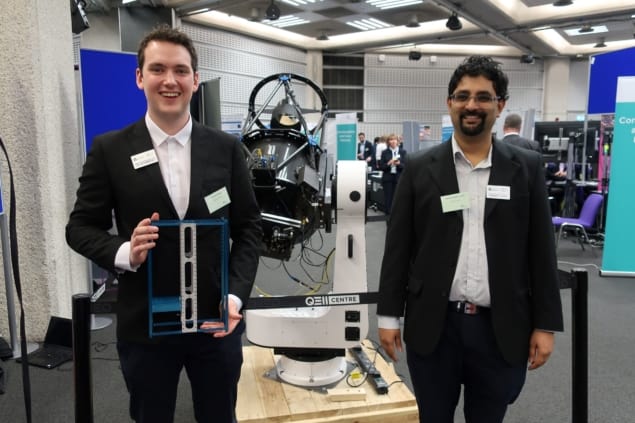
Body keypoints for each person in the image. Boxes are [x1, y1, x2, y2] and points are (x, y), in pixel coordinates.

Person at [66, 25, 262, 423]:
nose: (169, 80)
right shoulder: (110, 149)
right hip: (146, 329)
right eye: (157, 69)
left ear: (195, 79)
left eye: (180, 70)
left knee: (219, 415)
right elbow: (80, 227)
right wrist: (124, 251)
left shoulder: (225, 149)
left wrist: (237, 296)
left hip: (215, 321)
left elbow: (249, 228)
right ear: (140, 78)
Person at [377, 56, 563, 423]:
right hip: (434, 325)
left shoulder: (525, 167)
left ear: (500, 105)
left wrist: (545, 324)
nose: (472, 105)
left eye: (483, 97)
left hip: (501, 329)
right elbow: (399, 247)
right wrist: (388, 315)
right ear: (449, 104)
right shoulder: (419, 167)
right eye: (462, 96)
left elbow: (541, 251)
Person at [379, 133, 406, 215]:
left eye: (394, 139)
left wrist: (399, 164)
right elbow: (381, 167)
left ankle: (398, 218)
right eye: (391, 140)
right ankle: (388, 219)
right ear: (388, 142)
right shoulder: (384, 152)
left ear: (397, 141)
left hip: (399, 179)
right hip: (388, 179)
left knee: (398, 199)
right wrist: (388, 163)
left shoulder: (403, 152)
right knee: (388, 199)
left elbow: (406, 166)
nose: (393, 141)